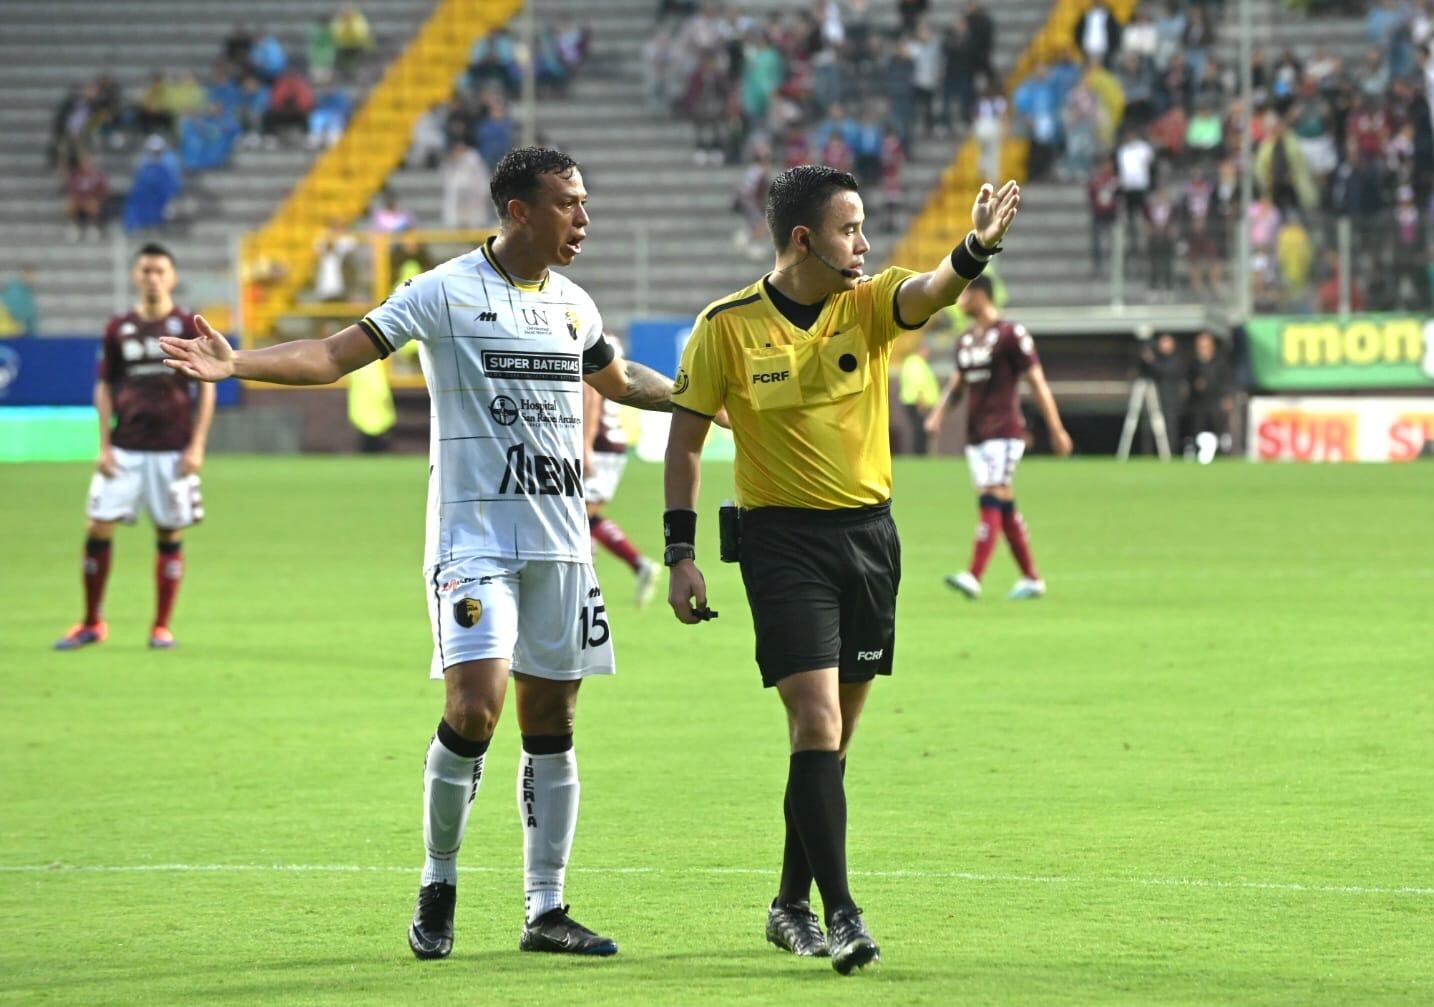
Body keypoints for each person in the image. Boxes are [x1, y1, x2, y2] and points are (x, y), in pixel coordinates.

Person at [162, 147, 678, 962]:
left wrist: (699, 396)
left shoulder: (575, 306)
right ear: (518, 211)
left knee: (554, 720)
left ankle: (546, 908)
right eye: (568, 203)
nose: (584, 218)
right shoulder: (441, 291)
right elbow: (337, 353)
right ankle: (439, 881)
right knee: (475, 708)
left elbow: (618, 380)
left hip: (560, 543)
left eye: (585, 202)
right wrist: (238, 365)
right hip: (472, 540)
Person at [663, 165, 1022, 974]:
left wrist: (975, 249)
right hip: (781, 544)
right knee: (816, 724)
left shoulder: (868, 303)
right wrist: (680, 552)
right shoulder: (724, 327)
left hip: (869, 540)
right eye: (849, 229)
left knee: (830, 740)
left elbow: (929, 292)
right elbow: (685, 445)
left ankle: (788, 902)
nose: (864, 244)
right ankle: (843, 914)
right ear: (803, 238)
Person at [54, 244, 215, 652]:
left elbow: (207, 387)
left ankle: (161, 627)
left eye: (160, 270)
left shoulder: (186, 326)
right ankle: (92, 622)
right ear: (135, 276)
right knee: (97, 526)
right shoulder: (118, 328)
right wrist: (103, 445)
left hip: (173, 449)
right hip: (125, 446)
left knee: (170, 532)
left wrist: (197, 445)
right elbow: (105, 385)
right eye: (145, 270)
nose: (153, 277)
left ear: (173, 277)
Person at [925, 274, 1072, 602]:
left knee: (991, 493)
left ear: (980, 295)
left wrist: (1056, 427)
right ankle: (1032, 578)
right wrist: (938, 415)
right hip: (976, 434)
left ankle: (974, 575)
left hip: (1004, 431)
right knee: (1001, 501)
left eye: (964, 295)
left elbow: (1037, 381)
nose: (960, 302)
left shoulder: (1010, 334)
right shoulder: (965, 341)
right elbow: (958, 385)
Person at [583, 372, 660, 607]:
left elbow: (590, 393)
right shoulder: (601, 342)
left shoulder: (579, 339)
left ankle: (585, 591)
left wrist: (585, 443)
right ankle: (638, 565)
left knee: (576, 519)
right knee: (584, 518)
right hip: (609, 444)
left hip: (598, 446)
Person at [1185, 331, 1231, 463]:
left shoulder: (1220, 362)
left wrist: (1227, 397)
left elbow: (1226, 381)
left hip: (1216, 401)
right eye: (1200, 345)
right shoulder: (1193, 363)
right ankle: (1197, 453)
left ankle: (1219, 454)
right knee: (1198, 428)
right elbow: (1188, 381)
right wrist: (1195, 385)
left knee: (1217, 429)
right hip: (1199, 402)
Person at [898, 342, 939, 455]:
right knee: (920, 429)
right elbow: (917, 381)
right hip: (917, 401)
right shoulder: (916, 363)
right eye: (927, 351)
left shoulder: (913, 362)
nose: (928, 354)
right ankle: (920, 453)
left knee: (919, 428)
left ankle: (920, 453)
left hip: (914, 400)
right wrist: (921, 400)